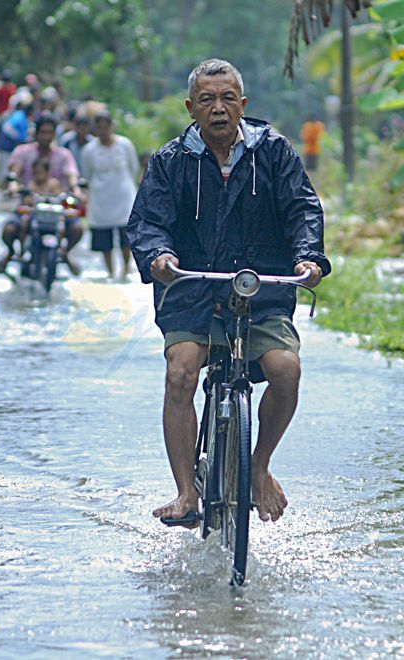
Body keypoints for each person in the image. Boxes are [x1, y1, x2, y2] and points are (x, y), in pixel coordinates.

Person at [127, 59, 330, 525]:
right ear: (191, 107)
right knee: (181, 372)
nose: (218, 108)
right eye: (206, 100)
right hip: (191, 290)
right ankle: (184, 494)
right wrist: (159, 256)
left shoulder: (274, 152)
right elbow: (148, 222)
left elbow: (302, 209)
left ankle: (259, 467)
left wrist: (308, 258)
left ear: (242, 104)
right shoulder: (170, 161)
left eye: (226, 99)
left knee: (286, 370)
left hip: (261, 291)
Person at [5, 113, 83, 272]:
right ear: (36, 133)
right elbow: (15, 172)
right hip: (30, 204)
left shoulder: (64, 155)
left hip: (55, 207)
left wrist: (76, 190)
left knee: (77, 228)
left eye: (50, 133)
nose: (46, 136)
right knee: (9, 230)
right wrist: (13, 185)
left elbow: (71, 176)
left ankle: (65, 253)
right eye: (43, 132)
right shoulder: (23, 152)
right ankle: (12, 253)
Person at [80, 112, 139, 280]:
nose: (103, 131)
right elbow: (87, 174)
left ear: (112, 126)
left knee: (126, 236)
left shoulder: (124, 144)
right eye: (99, 127)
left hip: (123, 195)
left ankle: (126, 268)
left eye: (106, 126)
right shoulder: (89, 150)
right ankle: (111, 271)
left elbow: (133, 168)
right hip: (100, 198)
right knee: (104, 237)